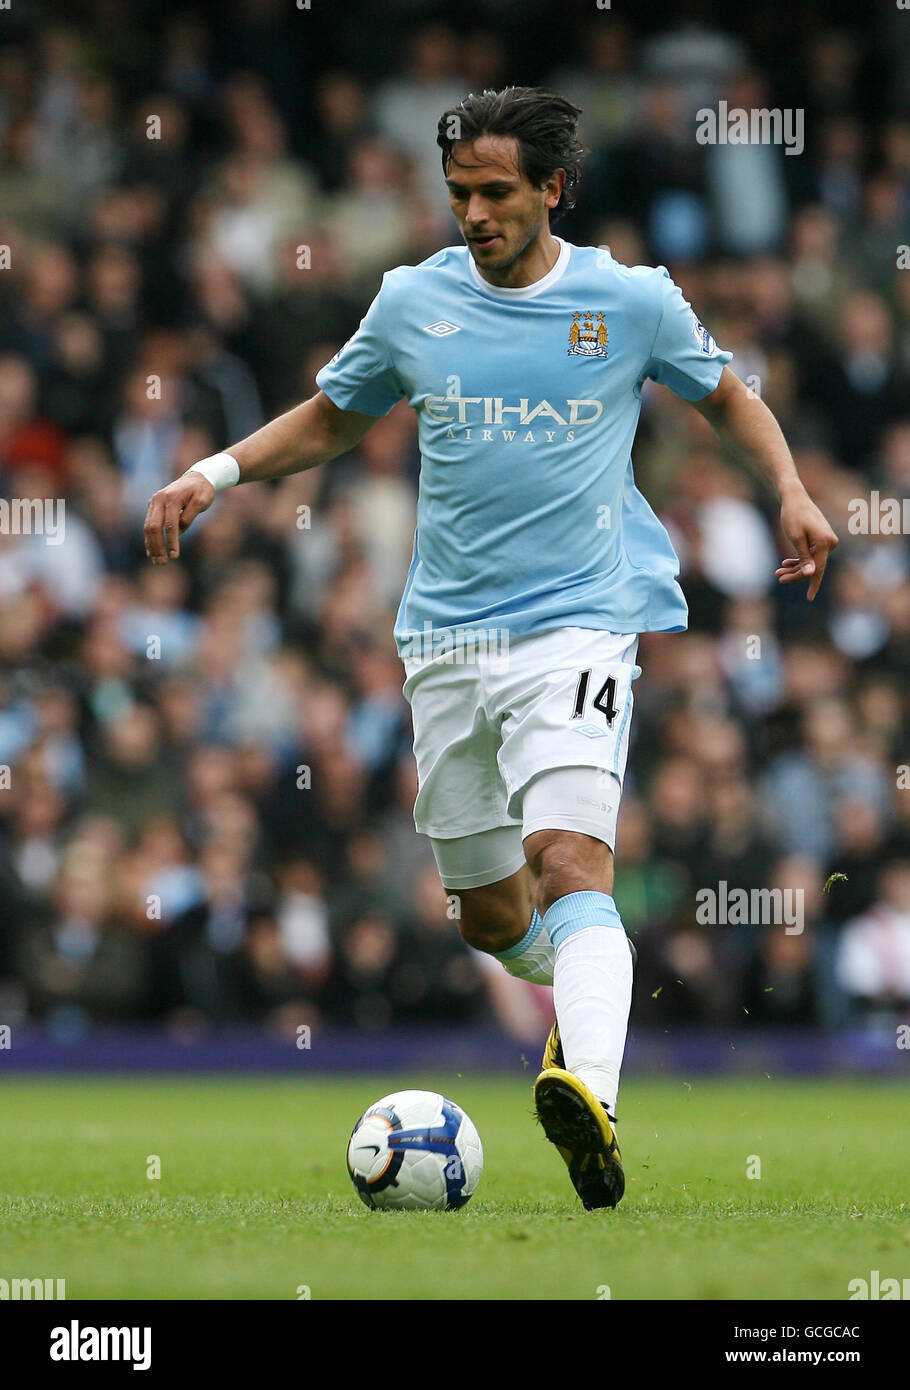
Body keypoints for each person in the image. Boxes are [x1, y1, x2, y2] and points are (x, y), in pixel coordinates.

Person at [144, 87, 838, 1210]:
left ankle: (589, 1085)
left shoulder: (628, 299)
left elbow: (728, 394)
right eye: (459, 192)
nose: (472, 212)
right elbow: (332, 415)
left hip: (580, 622)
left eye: (496, 192)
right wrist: (211, 473)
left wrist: (793, 488)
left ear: (552, 189)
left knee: (572, 861)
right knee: (489, 914)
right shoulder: (413, 301)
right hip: (445, 642)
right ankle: (582, 978)